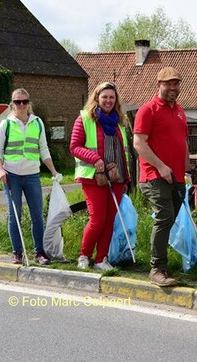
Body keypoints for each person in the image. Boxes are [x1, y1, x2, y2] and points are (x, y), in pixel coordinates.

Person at [133, 67, 189, 287]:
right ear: (159, 85)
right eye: (168, 84)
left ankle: (162, 263)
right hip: (153, 175)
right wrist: (161, 166)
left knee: (171, 217)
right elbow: (139, 143)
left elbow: (182, 142)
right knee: (165, 215)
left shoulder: (180, 111)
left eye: (176, 84)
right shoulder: (148, 110)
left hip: (176, 177)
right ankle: (157, 269)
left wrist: (187, 170)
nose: (172, 88)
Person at [0, 88, 60, 265]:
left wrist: (53, 171)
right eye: (17, 102)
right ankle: (17, 252)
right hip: (11, 175)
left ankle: (40, 252)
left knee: (37, 215)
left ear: (29, 103)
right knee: (15, 215)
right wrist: (1, 169)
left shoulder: (37, 123)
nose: (21, 105)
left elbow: (43, 149)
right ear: (12, 104)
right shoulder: (5, 125)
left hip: (32, 175)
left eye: (24, 102)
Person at [70, 82, 130, 271]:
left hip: (117, 177)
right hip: (93, 177)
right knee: (98, 219)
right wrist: (94, 157)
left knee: (110, 219)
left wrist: (127, 178)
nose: (108, 100)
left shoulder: (120, 121)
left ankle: (101, 259)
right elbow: (74, 146)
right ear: (97, 98)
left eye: (112, 97)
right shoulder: (84, 119)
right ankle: (84, 255)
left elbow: (124, 152)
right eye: (104, 96)